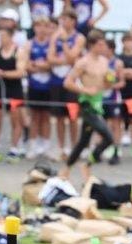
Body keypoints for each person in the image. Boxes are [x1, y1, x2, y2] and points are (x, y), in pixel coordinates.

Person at [61, 30, 117, 179]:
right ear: (92, 45)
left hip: (98, 101)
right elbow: (67, 82)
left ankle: (67, 169)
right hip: (87, 103)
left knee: (83, 141)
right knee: (108, 137)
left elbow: (106, 84)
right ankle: (88, 162)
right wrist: (84, 89)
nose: (103, 47)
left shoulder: (104, 61)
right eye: (100, 44)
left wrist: (110, 80)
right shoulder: (83, 62)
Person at [0, 26, 27, 160]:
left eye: (3, 37)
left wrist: (3, 73)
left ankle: (14, 148)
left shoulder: (18, 51)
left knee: (15, 119)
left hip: (14, 89)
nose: (1, 39)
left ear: (10, 37)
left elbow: (20, 72)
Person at [48, 10, 84, 157]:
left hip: (71, 81)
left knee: (73, 116)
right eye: (62, 20)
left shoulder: (79, 38)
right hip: (57, 80)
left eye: (66, 19)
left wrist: (63, 44)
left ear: (73, 21)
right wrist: (63, 59)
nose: (63, 23)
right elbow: (50, 58)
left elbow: (72, 57)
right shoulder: (55, 36)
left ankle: (74, 145)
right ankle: (61, 146)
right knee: (59, 116)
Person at [26, 16, 54, 159]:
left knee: (46, 117)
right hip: (34, 85)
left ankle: (46, 145)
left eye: (45, 26)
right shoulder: (30, 44)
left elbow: (51, 64)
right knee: (34, 117)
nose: (41, 29)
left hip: (48, 86)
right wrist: (40, 66)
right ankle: (32, 144)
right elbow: (26, 64)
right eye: (38, 26)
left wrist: (38, 65)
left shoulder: (51, 44)